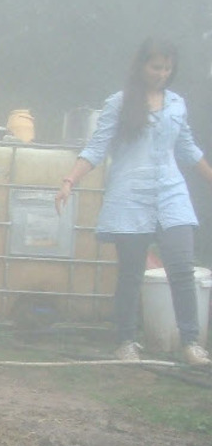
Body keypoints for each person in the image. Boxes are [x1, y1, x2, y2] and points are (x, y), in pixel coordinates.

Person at [56, 37, 212, 365]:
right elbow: (97, 148)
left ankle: (190, 342)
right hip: (130, 196)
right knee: (131, 272)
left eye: (168, 68)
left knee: (182, 268)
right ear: (142, 66)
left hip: (171, 194)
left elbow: (188, 149)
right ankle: (125, 340)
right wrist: (70, 180)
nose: (162, 74)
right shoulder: (119, 103)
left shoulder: (176, 104)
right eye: (156, 67)